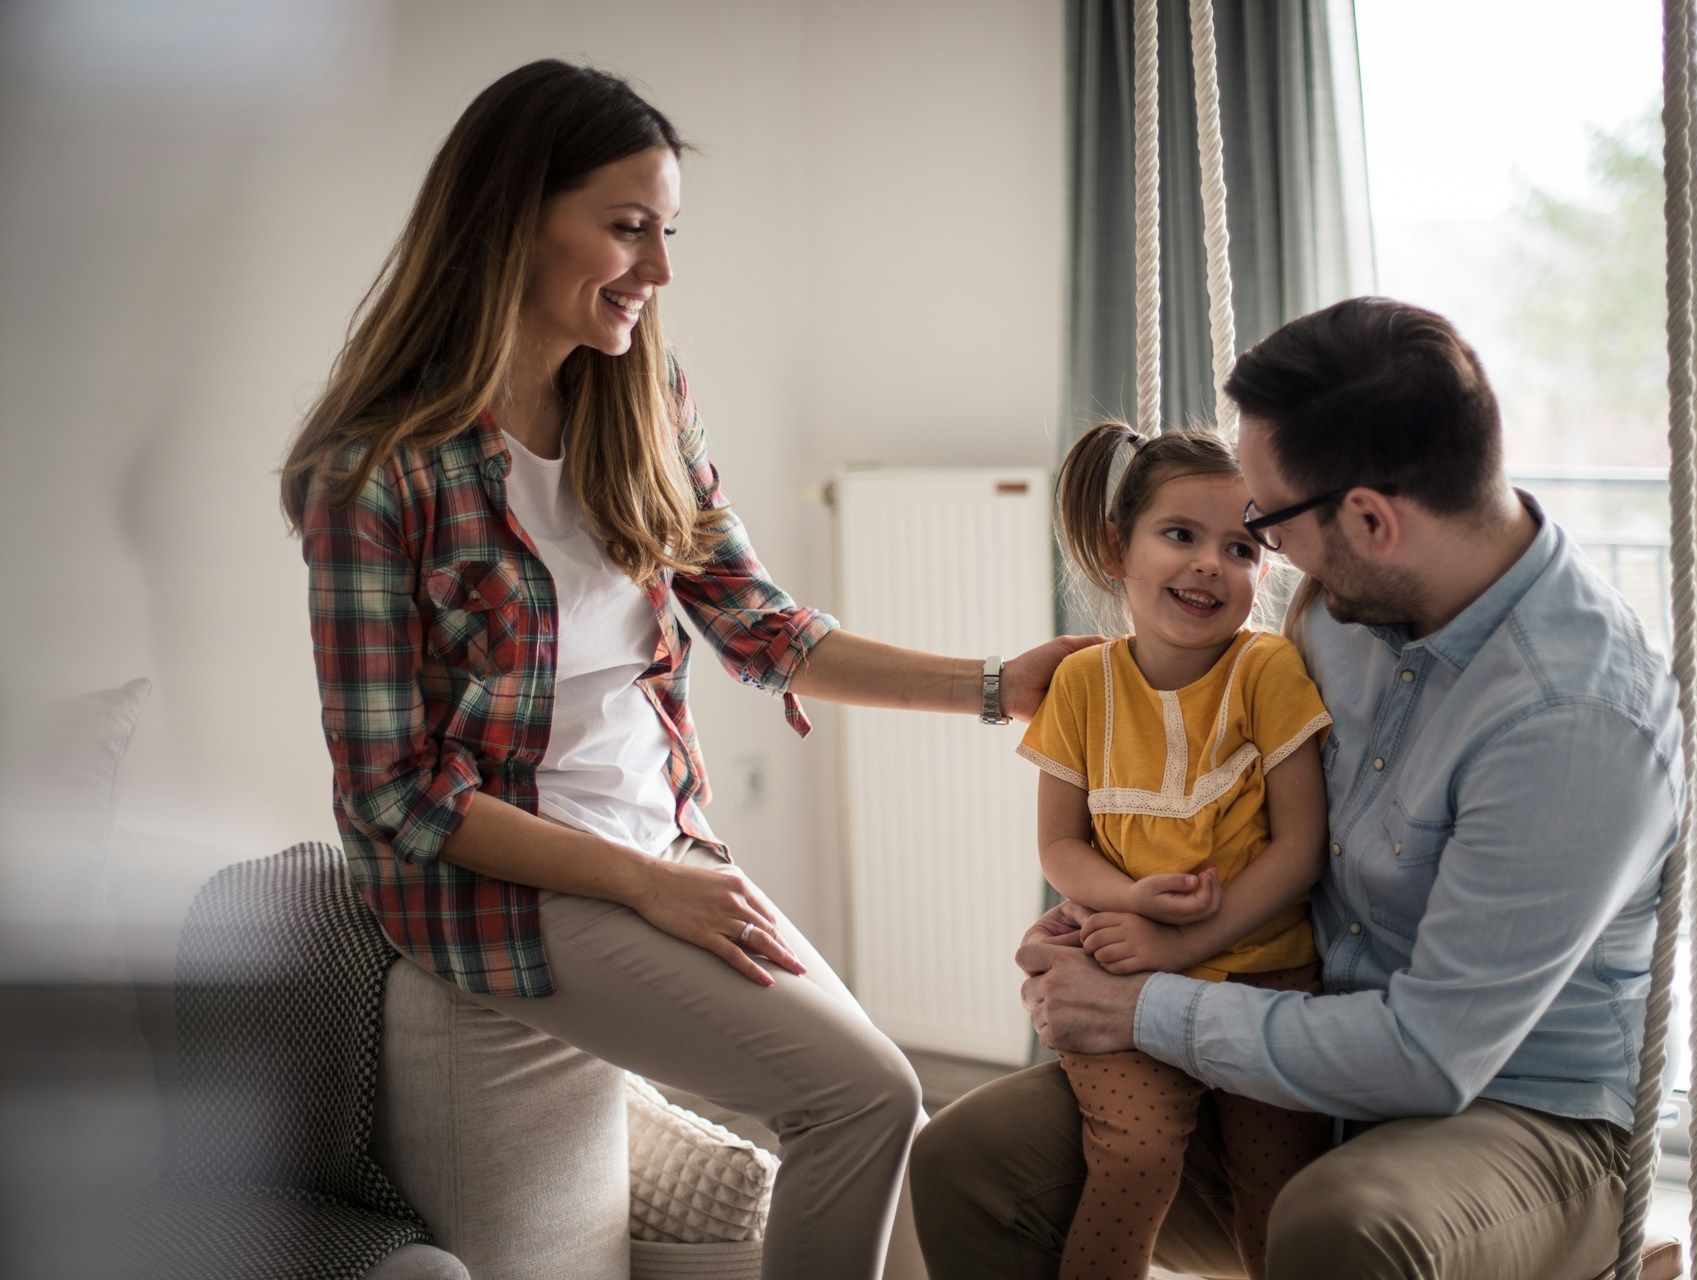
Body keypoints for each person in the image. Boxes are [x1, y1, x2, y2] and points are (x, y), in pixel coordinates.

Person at [279, 60, 1089, 1280]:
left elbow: (761, 626)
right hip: (509, 887)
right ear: (512, 218)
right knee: (865, 1095)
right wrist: (641, 885)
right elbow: (392, 795)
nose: (658, 270)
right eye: (627, 228)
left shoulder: (641, 399)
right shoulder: (377, 474)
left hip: (667, 840)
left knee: (892, 1125)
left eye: (668, 231)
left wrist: (999, 683)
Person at [912, 297, 1684, 1280]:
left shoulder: (1573, 717)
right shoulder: (1345, 603)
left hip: (1517, 1113)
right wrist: (1094, 925)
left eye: (1264, 525)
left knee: (1341, 1225)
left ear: (1369, 519)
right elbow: (1242, 822)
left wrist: (1141, 1002)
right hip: (1300, 1037)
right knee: (967, 1163)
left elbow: (1431, 1055)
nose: (1261, 560)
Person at [1018, 421, 1335, 1279]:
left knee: (1284, 1197)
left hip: (1266, 983)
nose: (1208, 564)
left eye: (1240, 546)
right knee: (1136, 1155)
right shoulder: (1083, 685)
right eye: (1180, 535)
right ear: (1118, 547)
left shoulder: (1266, 672)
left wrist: (1185, 940)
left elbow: (1302, 847)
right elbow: (1060, 845)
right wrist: (1128, 906)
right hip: (1121, 980)